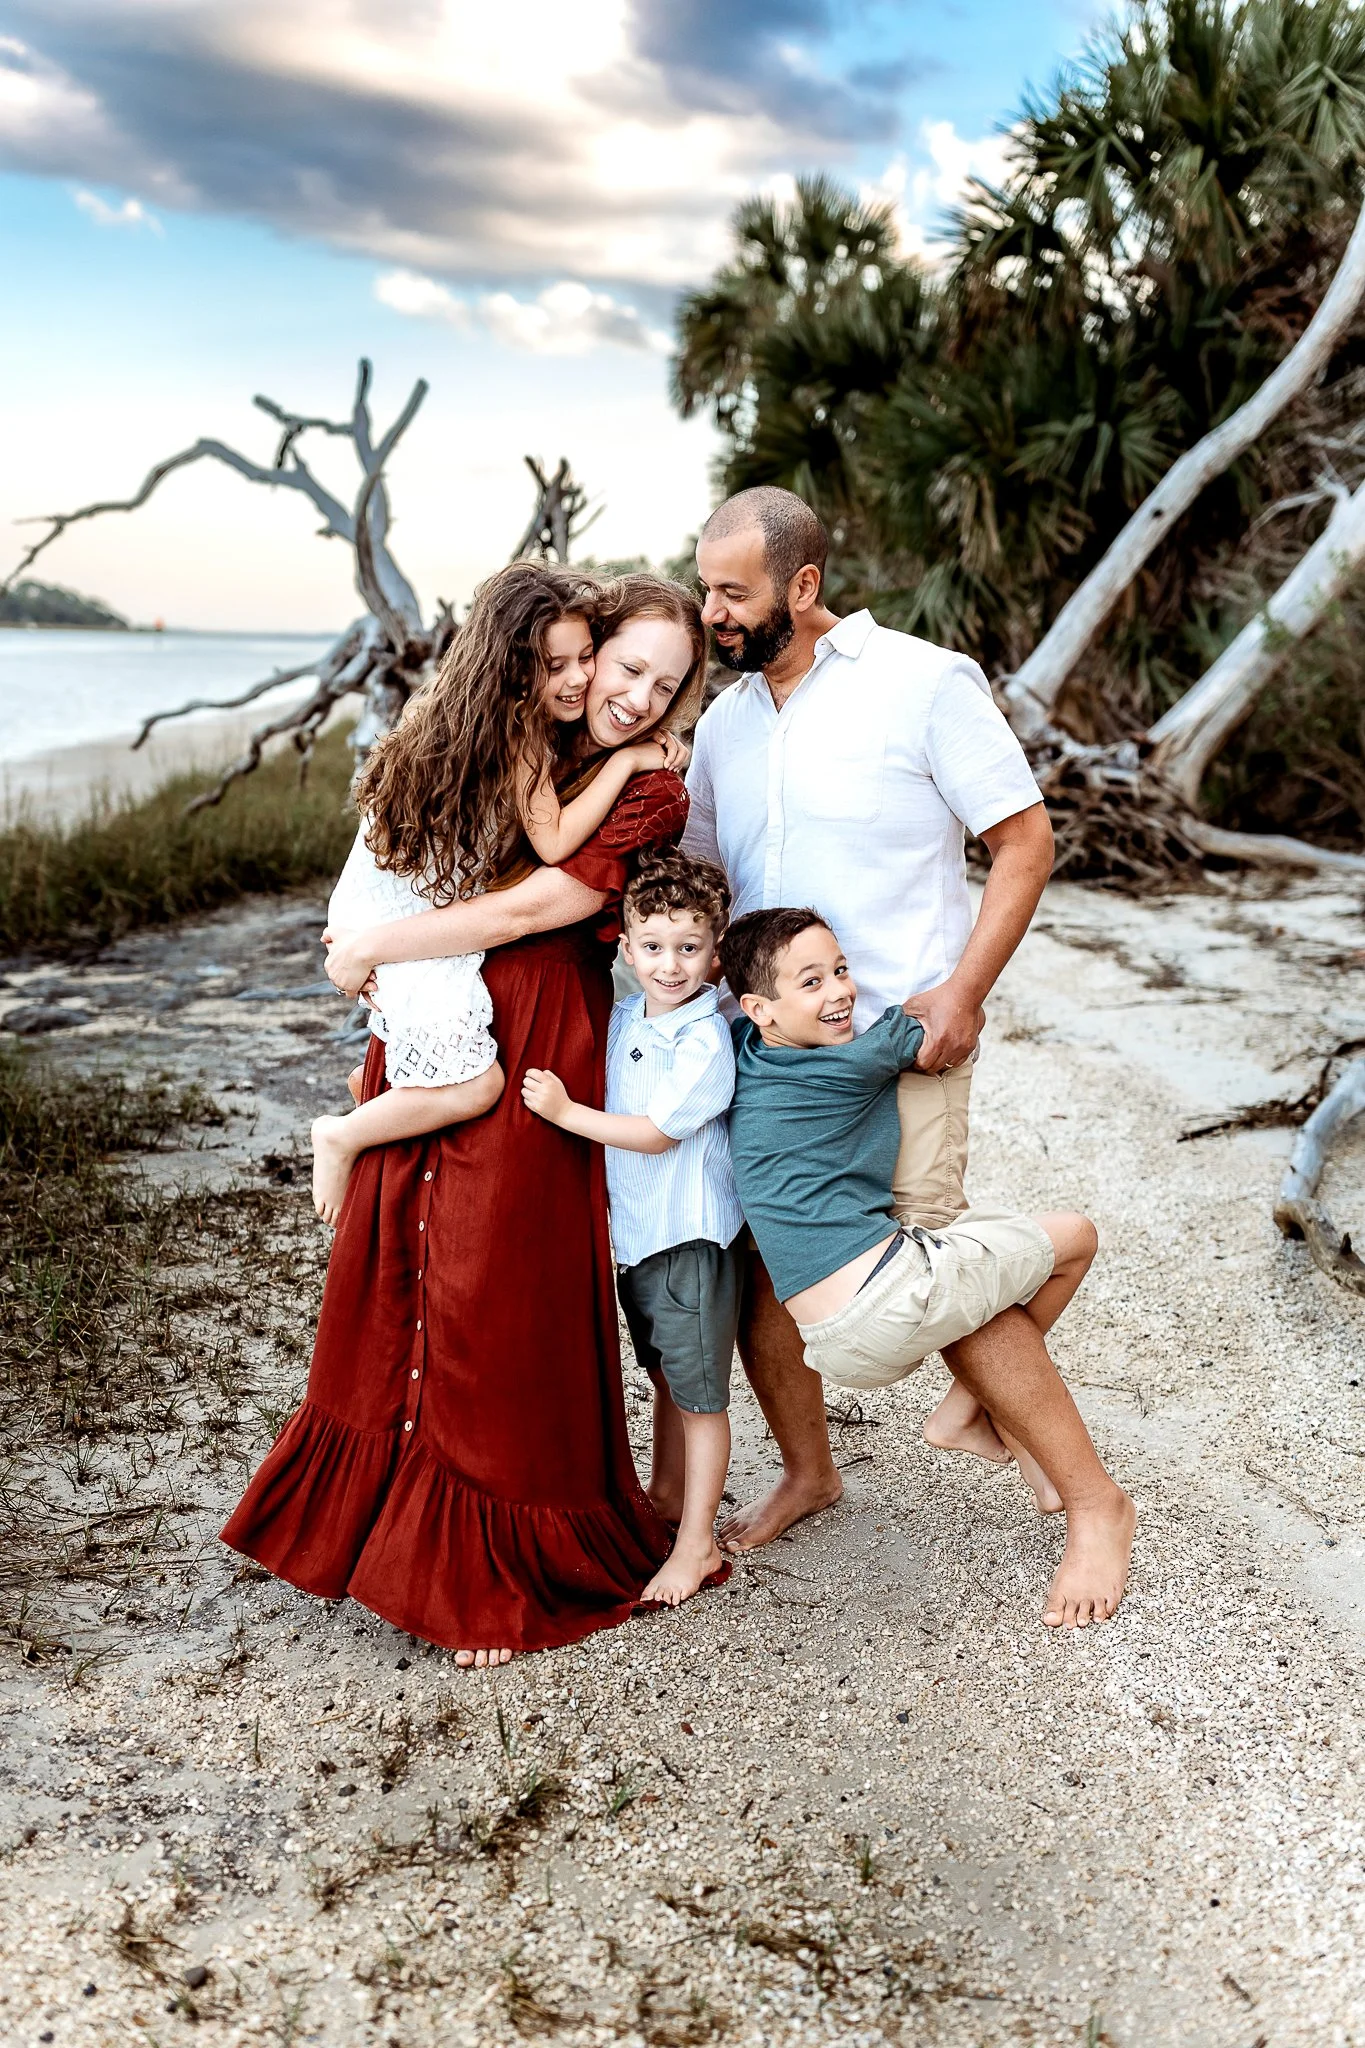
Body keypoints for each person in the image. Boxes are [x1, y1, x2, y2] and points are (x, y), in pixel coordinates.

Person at [221, 574, 708, 1667]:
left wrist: (374, 948)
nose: (631, 695)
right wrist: (376, 949)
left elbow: (543, 903)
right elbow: (411, 848)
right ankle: (371, 1527)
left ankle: (490, 1553)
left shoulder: (649, 792)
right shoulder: (518, 730)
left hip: (537, 1028)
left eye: (664, 685)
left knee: (496, 1272)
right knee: (399, 1244)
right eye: (623, 666)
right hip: (445, 1010)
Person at [681, 484, 1056, 1552]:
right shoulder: (724, 724)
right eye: (705, 589)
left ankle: (1082, 1493)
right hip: (771, 1059)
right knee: (768, 1271)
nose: (711, 613)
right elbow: (699, 877)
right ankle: (809, 1473)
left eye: (732, 593)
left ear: (802, 585)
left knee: (934, 1273)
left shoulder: (923, 682)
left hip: (903, 1045)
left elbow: (1025, 842)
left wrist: (964, 991)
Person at [719, 906, 1136, 1629]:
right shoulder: (857, 1058)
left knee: (975, 1262)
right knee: (1076, 1236)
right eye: (812, 982)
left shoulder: (745, 1052)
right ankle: (975, 1414)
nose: (840, 992)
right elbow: (946, 1028)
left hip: (827, 1340)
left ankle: (965, 1413)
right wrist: (948, 999)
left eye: (841, 971)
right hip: (892, 1303)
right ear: (761, 1007)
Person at [310, 562, 685, 1225]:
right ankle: (341, 1132)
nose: (577, 678)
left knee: (439, 1065)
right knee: (477, 1083)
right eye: (556, 665)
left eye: (584, 658)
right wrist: (629, 759)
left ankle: (375, 1088)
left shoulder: (474, 723)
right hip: (403, 910)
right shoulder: (524, 737)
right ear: (513, 672)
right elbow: (553, 843)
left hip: (396, 904)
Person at [522, 850, 743, 1607]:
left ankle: (697, 1545)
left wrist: (565, 1114)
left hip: (688, 1241)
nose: (670, 965)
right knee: (665, 1378)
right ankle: (667, 1495)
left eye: (688, 948)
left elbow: (653, 1133)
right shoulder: (625, 1015)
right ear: (625, 945)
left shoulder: (704, 1039)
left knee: (701, 1397)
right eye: (653, 946)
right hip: (638, 1240)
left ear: (716, 953)